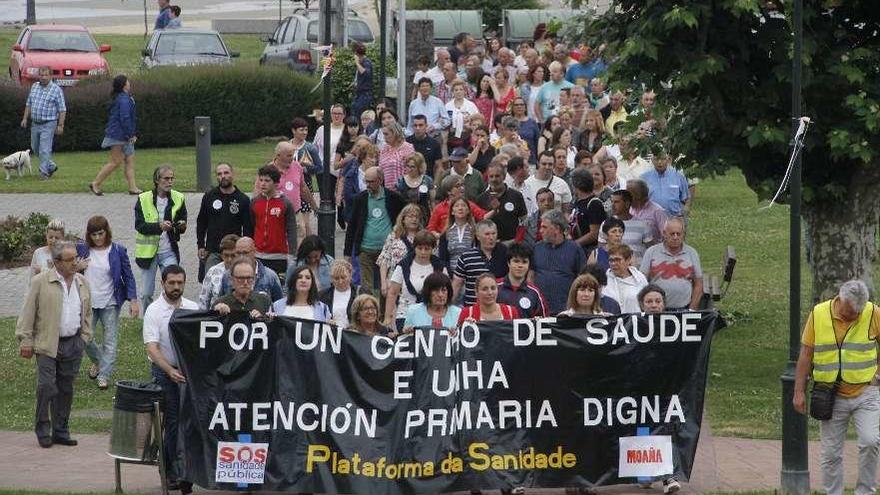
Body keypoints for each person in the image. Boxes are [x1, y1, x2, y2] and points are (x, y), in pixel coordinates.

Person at [793, 280, 880, 495]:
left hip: (866, 392)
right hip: (830, 395)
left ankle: (865, 492)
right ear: (840, 300)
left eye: (859, 312)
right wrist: (798, 391)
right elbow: (806, 354)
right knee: (831, 454)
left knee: (870, 441)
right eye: (851, 312)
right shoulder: (819, 314)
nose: (855, 316)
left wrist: (877, 375)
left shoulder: (872, 312)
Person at [16, 240, 91, 448]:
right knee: (47, 387)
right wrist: (25, 339)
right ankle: (42, 428)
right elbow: (28, 311)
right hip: (47, 343)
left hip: (73, 343)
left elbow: (88, 312)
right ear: (57, 261)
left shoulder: (82, 282)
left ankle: (61, 430)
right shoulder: (40, 281)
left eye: (76, 258)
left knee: (66, 389)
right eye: (69, 259)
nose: (75, 263)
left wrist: (84, 337)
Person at [142, 265, 198, 490]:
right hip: (165, 373)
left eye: (180, 283)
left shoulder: (193, 308)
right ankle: (170, 471)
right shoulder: (154, 311)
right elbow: (152, 348)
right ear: (163, 284)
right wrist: (169, 370)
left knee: (191, 422)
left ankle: (188, 469)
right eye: (171, 283)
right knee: (173, 422)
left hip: (189, 372)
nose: (176, 287)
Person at [76, 216, 138, 390]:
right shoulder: (81, 249)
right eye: (93, 234)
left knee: (110, 340)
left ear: (107, 232)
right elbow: (69, 268)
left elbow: (128, 276)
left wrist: (133, 300)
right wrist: (77, 267)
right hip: (87, 301)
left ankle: (104, 375)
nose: (97, 238)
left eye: (100, 233)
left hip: (110, 302)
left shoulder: (118, 250)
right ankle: (99, 361)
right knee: (85, 337)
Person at [635, 282, 681, 493]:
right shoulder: (632, 325)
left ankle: (668, 477)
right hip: (640, 387)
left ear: (664, 304)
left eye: (657, 301)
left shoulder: (677, 325)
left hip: (667, 387)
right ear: (642, 305)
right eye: (649, 302)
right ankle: (644, 474)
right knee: (643, 428)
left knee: (666, 428)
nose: (653, 305)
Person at [345, 167, 405, 294]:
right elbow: (352, 227)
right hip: (365, 249)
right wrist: (348, 254)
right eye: (366, 181)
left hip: (387, 251)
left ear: (380, 180)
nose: (368, 185)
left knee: (385, 287)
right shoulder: (360, 199)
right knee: (367, 287)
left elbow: (402, 220)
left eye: (371, 182)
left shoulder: (393, 198)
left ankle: (382, 312)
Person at [135, 165, 187, 311]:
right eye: (166, 178)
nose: (169, 182)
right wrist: (159, 227)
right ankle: (148, 320)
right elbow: (140, 226)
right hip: (148, 254)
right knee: (146, 293)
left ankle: (172, 319)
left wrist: (182, 225)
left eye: (172, 178)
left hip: (169, 251)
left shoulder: (179, 197)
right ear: (157, 180)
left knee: (174, 287)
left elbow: (183, 219)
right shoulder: (143, 198)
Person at [195, 162, 252, 282]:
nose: (223, 176)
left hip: (233, 252)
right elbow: (201, 222)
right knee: (210, 282)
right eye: (219, 174)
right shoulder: (209, 196)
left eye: (226, 173)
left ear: (233, 174)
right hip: (212, 251)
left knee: (233, 283)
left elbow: (248, 228)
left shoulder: (243, 200)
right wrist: (200, 245)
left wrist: (245, 250)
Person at [385, 231, 446, 331]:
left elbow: (445, 293)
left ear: (433, 249)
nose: (423, 252)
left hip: (432, 315)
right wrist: (387, 318)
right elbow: (393, 292)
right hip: (405, 314)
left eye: (427, 249)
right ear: (414, 247)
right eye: (420, 248)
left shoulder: (440, 266)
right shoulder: (403, 265)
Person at [531, 209, 588, 314]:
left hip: (566, 310)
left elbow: (583, 278)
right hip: (539, 310)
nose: (540, 231)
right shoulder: (537, 248)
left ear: (557, 229)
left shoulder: (575, 249)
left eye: (544, 227)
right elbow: (530, 276)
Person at [90, 75, 139, 195]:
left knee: (129, 160)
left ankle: (133, 187)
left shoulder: (123, 98)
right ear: (124, 85)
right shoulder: (124, 100)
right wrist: (130, 134)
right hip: (119, 135)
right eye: (127, 81)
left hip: (123, 135)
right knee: (115, 161)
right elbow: (125, 118)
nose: (129, 83)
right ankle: (96, 183)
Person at [640, 218, 703, 311]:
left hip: (684, 308)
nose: (675, 237)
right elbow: (641, 281)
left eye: (678, 234)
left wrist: (692, 309)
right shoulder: (651, 252)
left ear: (683, 235)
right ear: (664, 233)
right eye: (672, 234)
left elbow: (699, 283)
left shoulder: (692, 253)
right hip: (656, 310)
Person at [251, 165, 297, 280]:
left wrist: (292, 255)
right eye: (261, 180)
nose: (263, 184)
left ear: (276, 183)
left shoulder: (285, 203)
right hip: (258, 255)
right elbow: (252, 226)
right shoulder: (254, 202)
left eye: (267, 181)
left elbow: (291, 230)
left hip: (279, 256)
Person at [20, 66, 66, 179]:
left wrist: (60, 125)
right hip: (35, 123)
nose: (43, 77)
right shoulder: (34, 86)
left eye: (46, 75)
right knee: (35, 147)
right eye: (41, 75)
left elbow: (62, 109)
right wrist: (25, 118)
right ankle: (51, 166)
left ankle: (44, 173)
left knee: (44, 149)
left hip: (49, 123)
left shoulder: (56, 90)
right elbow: (29, 103)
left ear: (51, 76)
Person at [453, 220, 509, 306]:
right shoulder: (466, 257)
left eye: (493, 233)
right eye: (487, 234)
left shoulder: (506, 253)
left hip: (499, 308)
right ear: (478, 236)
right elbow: (456, 285)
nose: (491, 237)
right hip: (472, 308)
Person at [217, 236, 284, 305]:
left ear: (255, 252)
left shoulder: (270, 276)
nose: (241, 256)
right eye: (238, 253)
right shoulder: (227, 276)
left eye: (245, 253)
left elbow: (279, 306)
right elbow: (220, 302)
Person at [377, 204, 423, 297]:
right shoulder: (394, 236)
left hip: (417, 282)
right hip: (394, 283)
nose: (414, 219)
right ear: (403, 219)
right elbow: (384, 259)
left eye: (417, 217)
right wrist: (383, 282)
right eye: (411, 216)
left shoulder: (423, 237)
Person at [290, 119, 324, 239]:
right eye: (301, 130)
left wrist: (305, 169)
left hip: (305, 184)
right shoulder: (287, 147)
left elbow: (319, 168)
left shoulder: (310, 148)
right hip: (289, 186)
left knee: (304, 223)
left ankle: (309, 245)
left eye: (306, 130)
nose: (304, 132)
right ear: (294, 131)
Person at [477, 162, 527, 243]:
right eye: (491, 176)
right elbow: (479, 223)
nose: (494, 179)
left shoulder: (516, 195)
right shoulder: (482, 199)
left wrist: (518, 240)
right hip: (488, 244)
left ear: (504, 177)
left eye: (497, 176)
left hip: (510, 243)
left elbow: (524, 220)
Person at [496, 243, 547, 318]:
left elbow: (544, 321)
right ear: (508, 263)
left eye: (524, 262)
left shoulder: (535, 293)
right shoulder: (495, 287)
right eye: (516, 261)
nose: (520, 265)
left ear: (529, 265)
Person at [602, 189, 653, 263]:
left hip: (637, 270)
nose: (612, 205)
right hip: (613, 268)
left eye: (616, 202)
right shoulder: (605, 224)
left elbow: (650, 251)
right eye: (612, 202)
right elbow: (602, 249)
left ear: (627, 204)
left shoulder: (643, 225)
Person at [641, 150, 690, 218]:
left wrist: (686, 209)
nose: (659, 162)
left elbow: (686, 197)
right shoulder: (644, 178)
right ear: (652, 160)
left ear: (668, 160)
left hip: (674, 218)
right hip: (652, 219)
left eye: (663, 159)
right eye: (656, 159)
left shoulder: (678, 176)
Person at [320, 260, 368, 329]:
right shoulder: (323, 295)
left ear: (350, 274)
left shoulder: (361, 292)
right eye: (336, 278)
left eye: (343, 277)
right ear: (331, 278)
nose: (340, 281)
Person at [570, 167, 607, 256]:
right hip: (578, 249)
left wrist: (573, 245)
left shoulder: (594, 204)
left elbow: (594, 233)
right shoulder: (577, 202)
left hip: (589, 251)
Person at [198, 233, 239, 310]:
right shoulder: (213, 271)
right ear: (221, 255)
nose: (229, 259)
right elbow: (203, 301)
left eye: (233, 255)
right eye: (226, 255)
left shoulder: (247, 272)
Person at [604, 244, 648, 313]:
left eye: (617, 260)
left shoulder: (640, 278)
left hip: (635, 321)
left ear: (628, 260)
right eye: (611, 260)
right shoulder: (604, 279)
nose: (613, 263)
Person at [438, 198, 477, 272]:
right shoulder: (445, 233)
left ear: (468, 210)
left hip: (471, 274)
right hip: (451, 274)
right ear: (452, 211)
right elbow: (443, 259)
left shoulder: (475, 232)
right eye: (457, 206)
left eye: (463, 205)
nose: (460, 208)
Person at [628, 179, 668, 246]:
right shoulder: (629, 210)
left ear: (638, 195)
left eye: (628, 195)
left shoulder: (657, 211)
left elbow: (667, 236)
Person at [396, 152, 433, 221]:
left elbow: (432, 201)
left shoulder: (427, 180)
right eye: (408, 166)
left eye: (413, 167)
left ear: (419, 167)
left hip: (424, 217)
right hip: (406, 217)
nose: (410, 169)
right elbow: (398, 203)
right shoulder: (400, 181)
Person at [378, 122, 416, 189]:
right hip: (388, 189)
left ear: (395, 133)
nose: (384, 137)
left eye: (386, 134)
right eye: (383, 134)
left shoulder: (407, 148)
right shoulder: (384, 149)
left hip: (404, 188)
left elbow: (412, 170)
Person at [406, 115, 443, 179]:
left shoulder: (434, 144)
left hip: (428, 180)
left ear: (426, 126)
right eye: (415, 125)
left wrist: (435, 185)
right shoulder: (407, 142)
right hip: (410, 181)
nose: (418, 128)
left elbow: (439, 167)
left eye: (421, 125)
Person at [351, 42, 373, 119]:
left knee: (358, 114)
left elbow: (365, 73)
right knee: (354, 111)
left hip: (364, 95)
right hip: (359, 93)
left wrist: (357, 62)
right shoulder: (361, 63)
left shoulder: (366, 62)